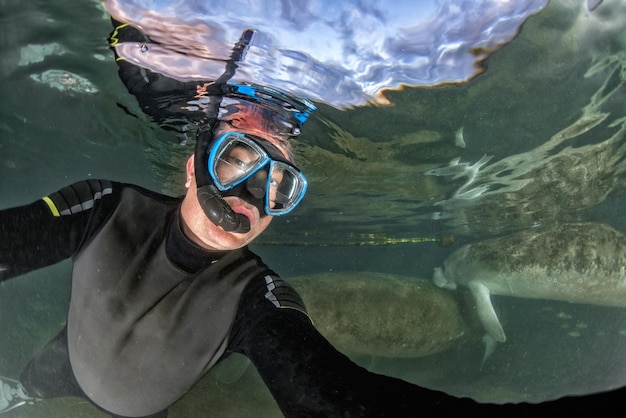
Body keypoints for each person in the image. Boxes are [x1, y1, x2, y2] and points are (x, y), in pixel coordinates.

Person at [2, 20, 625, 418]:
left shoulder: (257, 296)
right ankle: (25, 392)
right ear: (194, 166)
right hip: (74, 349)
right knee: (52, 369)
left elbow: (330, 396)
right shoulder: (106, 206)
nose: (251, 195)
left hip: (144, 390)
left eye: (278, 184)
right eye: (239, 158)